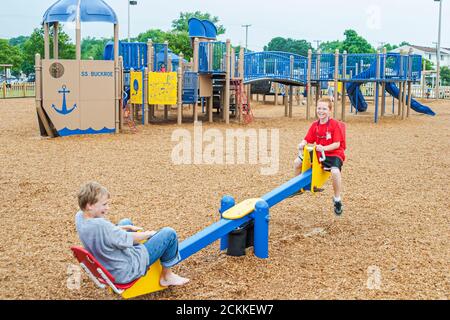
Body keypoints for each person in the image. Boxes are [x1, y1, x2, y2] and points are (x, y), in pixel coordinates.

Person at [75, 181, 189, 286]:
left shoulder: (80, 217)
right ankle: (167, 276)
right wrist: (149, 234)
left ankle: (128, 228)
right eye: (104, 204)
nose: (107, 208)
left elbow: (105, 233)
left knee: (126, 222)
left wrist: (124, 227)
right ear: (90, 205)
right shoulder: (100, 225)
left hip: (107, 265)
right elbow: (129, 238)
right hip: (126, 271)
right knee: (169, 234)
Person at [294, 97, 346, 216]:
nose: (321, 111)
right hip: (319, 154)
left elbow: (337, 144)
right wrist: (302, 143)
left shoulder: (335, 125)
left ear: (330, 111)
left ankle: (337, 199)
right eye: (319, 108)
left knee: (335, 172)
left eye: (324, 108)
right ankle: (297, 187)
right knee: (297, 162)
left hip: (334, 153)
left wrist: (324, 148)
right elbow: (307, 139)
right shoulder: (315, 125)